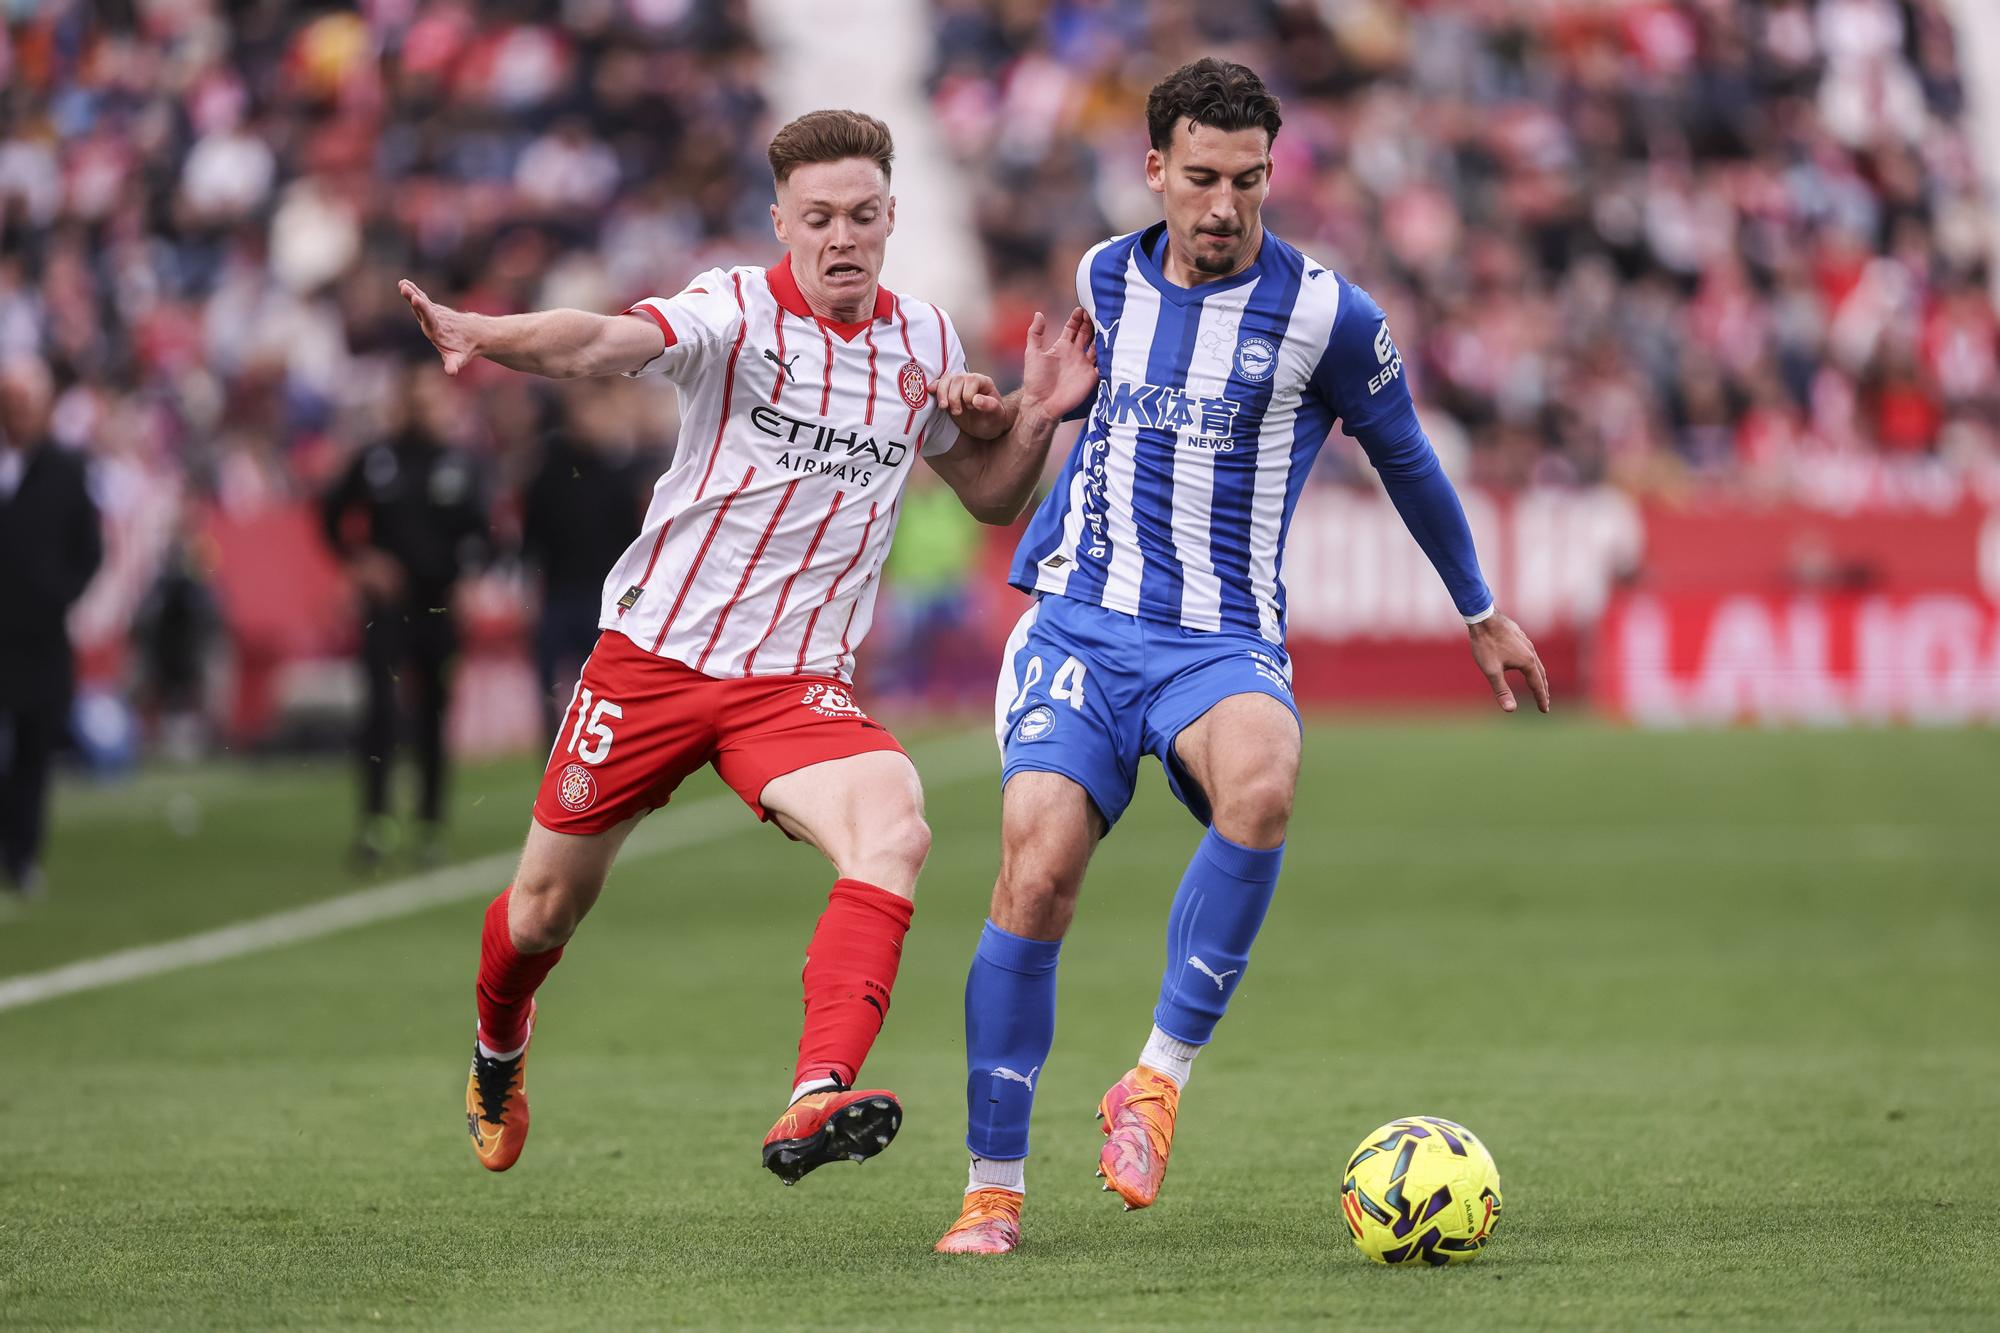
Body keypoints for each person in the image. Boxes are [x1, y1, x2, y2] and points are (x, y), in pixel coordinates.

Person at [398, 109, 1098, 1184]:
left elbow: (992, 496)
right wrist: (483, 335)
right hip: (653, 662)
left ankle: (814, 1091)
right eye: (817, 218)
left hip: (791, 688)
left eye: (862, 215)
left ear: (891, 218)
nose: (841, 237)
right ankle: (498, 1046)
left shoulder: (924, 342)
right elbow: (601, 342)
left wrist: (1041, 413)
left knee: (895, 825)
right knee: (542, 909)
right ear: (781, 221)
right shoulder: (730, 309)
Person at [928, 59, 1551, 1254]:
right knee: (1036, 870)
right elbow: (1055, 424)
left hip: (1217, 638)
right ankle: (991, 1190)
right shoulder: (1102, 276)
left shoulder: (1328, 315)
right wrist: (1002, 409)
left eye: (1249, 181)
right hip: (1077, 625)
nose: (1223, 206)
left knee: (1262, 782)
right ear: (1153, 167)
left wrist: (1475, 606)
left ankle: (1155, 1079)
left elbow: (1407, 458)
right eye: (1201, 178)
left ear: (1273, 173)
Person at [320, 372, 492, 869]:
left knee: (434, 713)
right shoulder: (377, 459)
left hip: (439, 606)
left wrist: (468, 579)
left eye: (429, 399)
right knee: (378, 713)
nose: (420, 408)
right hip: (386, 610)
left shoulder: (460, 462)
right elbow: (331, 518)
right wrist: (361, 562)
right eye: (412, 398)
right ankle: (374, 821)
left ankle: (431, 822)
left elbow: (485, 532)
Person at [0, 357, 103, 901]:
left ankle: (22, 856)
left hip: (40, 636)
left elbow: (89, 549)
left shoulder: (64, 469)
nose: (17, 416)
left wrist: (56, 594)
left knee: (34, 748)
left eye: (25, 406)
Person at [520, 399, 648, 743]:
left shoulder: (618, 476)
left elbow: (636, 546)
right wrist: (530, 595)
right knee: (550, 687)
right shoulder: (547, 477)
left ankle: (604, 748)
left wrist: (630, 601)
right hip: (558, 596)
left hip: (603, 601)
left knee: (604, 685)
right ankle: (554, 752)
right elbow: (530, 542)